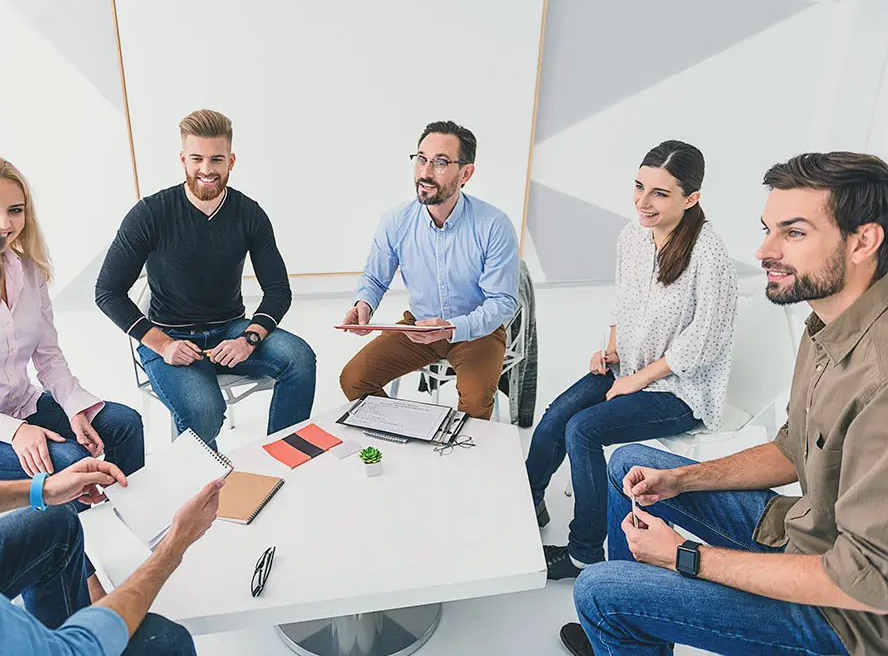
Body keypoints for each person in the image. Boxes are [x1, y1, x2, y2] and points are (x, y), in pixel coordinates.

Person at [561, 151, 888, 656]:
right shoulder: (824, 322)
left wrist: (685, 558)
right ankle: (630, 623)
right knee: (633, 465)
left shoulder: (881, 375)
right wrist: (679, 479)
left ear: (863, 240)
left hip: (843, 621)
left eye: (794, 233)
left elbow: (861, 582)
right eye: (767, 229)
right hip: (802, 532)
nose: (764, 250)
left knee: (599, 593)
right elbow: (790, 450)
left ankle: (621, 612)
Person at [0, 204, 224, 655]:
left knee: (53, 526)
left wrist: (42, 491)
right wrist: (176, 546)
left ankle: (87, 594)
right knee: (167, 640)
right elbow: (69, 652)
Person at [526, 140, 738, 581]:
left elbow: (704, 344)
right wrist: (612, 348)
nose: (643, 202)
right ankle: (527, 508)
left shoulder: (709, 255)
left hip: (680, 390)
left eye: (660, 193)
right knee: (555, 416)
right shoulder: (633, 236)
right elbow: (623, 300)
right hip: (629, 369)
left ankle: (585, 552)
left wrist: (638, 379)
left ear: (691, 198)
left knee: (582, 429)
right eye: (639, 187)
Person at [96, 109, 316, 445]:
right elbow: (108, 291)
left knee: (300, 359)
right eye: (197, 158)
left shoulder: (249, 214)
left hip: (231, 329)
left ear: (231, 161)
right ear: (183, 159)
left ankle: (281, 460)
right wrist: (163, 344)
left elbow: (278, 290)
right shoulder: (150, 214)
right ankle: (202, 490)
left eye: (217, 159)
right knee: (204, 411)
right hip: (169, 336)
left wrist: (249, 339)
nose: (207, 169)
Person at [339, 120, 519, 419]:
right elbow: (374, 276)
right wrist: (364, 304)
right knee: (354, 379)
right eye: (421, 159)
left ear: (466, 173)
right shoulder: (396, 221)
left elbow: (503, 302)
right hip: (419, 327)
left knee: (475, 404)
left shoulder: (493, 225)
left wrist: (453, 328)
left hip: (477, 332)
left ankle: (456, 453)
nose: (425, 172)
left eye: (440, 163)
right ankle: (420, 431)